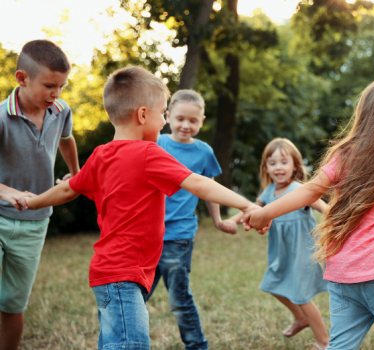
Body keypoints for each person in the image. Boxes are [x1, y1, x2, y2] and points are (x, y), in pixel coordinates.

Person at [18, 66, 265, 350]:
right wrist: (247, 204)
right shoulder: (149, 153)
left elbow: (67, 189)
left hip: (109, 273)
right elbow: (198, 183)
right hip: (124, 275)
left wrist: (32, 200)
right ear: (143, 114)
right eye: (163, 113)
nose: (164, 122)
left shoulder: (100, 155)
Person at [243, 78, 374, 350]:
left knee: (341, 346)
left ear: (365, 116)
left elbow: (310, 191)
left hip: (342, 275)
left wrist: (266, 213)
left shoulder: (345, 155)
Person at [0, 39, 80, 350]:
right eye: (49, 86)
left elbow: (66, 139)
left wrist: (76, 172)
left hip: (35, 223)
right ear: (22, 78)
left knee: (13, 303)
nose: (56, 94)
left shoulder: (60, 110)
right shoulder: (2, 118)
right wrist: (6, 191)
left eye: (61, 86)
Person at [145, 89, 236, 350]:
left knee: (179, 299)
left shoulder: (204, 152)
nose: (186, 125)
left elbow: (210, 190)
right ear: (168, 116)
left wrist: (218, 220)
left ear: (202, 121)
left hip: (179, 236)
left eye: (193, 121)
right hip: (148, 234)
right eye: (180, 118)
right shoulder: (156, 143)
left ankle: (197, 346)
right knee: (135, 295)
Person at [225, 138, 329, 350]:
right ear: (266, 168)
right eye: (272, 163)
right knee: (272, 284)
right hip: (281, 253)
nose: (278, 167)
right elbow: (251, 208)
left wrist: (342, 222)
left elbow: (324, 208)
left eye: (284, 162)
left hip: (302, 251)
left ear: (295, 166)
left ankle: (324, 342)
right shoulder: (269, 192)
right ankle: (301, 319)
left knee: (301, 296)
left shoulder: (300, 189)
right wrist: (232, 220)